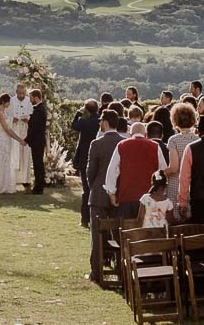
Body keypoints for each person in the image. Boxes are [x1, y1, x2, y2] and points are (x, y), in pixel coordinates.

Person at [85, 111, 125, 282]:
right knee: (119, 233)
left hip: (99, 193)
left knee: (96, 234)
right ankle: (120, 268)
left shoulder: (97, 143)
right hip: (119, 194)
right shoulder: (124, 142)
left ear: (106, 123)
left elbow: (90, 171)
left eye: (102, 121)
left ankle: (96, 272)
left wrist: (93, 186)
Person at [104, 120, 168, 221]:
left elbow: (112, 170)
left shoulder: (122, 145)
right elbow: (163, 171)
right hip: (149, 196)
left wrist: (111, 192)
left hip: (127, 195)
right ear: (145, 134)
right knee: (148, 231)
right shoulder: (155, 146)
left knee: (128, 230)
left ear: (130, 134)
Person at [25, 89, 50, 194]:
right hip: (38, 141)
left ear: (35, 97)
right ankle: (39, 185)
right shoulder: (40, 108)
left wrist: (26, 139)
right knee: (38, 164)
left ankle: (38, 187)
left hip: (37, 141)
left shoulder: (39, 109)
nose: (30, 100)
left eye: (30, 97)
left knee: (38, 164)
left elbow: (34, 127)